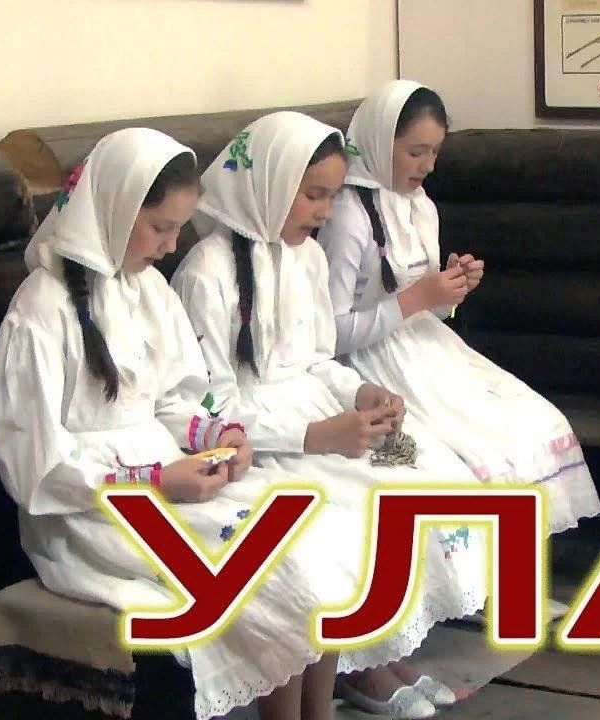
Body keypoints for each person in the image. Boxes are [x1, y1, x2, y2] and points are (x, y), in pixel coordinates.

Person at [0, 127, 440, 720]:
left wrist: (218, 436)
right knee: (275, 565)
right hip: (87, 512)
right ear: (115, 210)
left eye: (177, 228)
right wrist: (155, 480)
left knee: (321, 530)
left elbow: (175, 397)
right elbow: (36, 472)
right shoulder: (40, 313)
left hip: (167, 478)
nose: (171, 245)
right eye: (161, 228)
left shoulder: (145, 288)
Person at [172, 111, 489, 719]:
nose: (324, 212)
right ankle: (357, 670)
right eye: (313, 196)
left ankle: (376, 656)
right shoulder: (206, 272)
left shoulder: (306, 258)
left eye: (331, 196)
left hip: (315, 412)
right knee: (350, 519)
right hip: (259, 440)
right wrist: (314, 436)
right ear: (268, 185)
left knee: (427, 470)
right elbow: (206, 405)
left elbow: (318, 359)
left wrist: (363, 392)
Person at [315, 80, 600, 537]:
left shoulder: (420, 206)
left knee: (537, 422)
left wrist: (450, 290)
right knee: (471, 449)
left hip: (430, 349)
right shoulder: (347, 215)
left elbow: (425, 307)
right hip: (370, 366)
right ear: (379, 141)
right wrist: (418, 298)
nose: (428, 165)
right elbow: (328, 335)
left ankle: (527, 553)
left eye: (435, 152)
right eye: (415, 152)